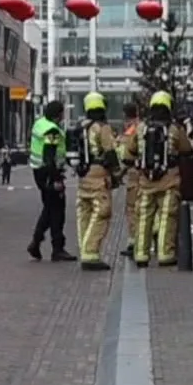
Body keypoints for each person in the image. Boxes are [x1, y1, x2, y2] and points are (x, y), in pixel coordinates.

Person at [130, 90, 193, 268]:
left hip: (145, 181)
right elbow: (187, 149)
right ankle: (165, 254)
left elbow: (130, 149)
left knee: (143, 218)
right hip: (168, 180)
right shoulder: (174, 128)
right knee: (167, 217)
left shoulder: (141, 128)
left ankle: (141, 254)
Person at [71, 92, 119, 272]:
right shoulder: (102, 127)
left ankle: (85, 249)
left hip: (83, 175)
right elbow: (110, 153)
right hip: (99, 175)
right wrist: (116, 174)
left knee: (85, 212)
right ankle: (90, 254)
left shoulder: (80, 126)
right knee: (101, 212)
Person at [27, 102, 73, 262]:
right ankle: (57, 248)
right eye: (62, 113)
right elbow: (49, 155)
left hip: (39, 171)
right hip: (49, 173)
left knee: (49, 208)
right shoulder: (52, 130)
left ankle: (36, 242)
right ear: (58, 114)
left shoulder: (40, 123)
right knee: (57, 211)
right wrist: (56, 178)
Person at [118, 102, 143, 260]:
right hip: (144, 173)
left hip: (135, 173)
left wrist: (118, 175)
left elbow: (127, 156)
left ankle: (135, 244)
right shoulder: (142, 126)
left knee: (132, 209)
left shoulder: (131, 130)